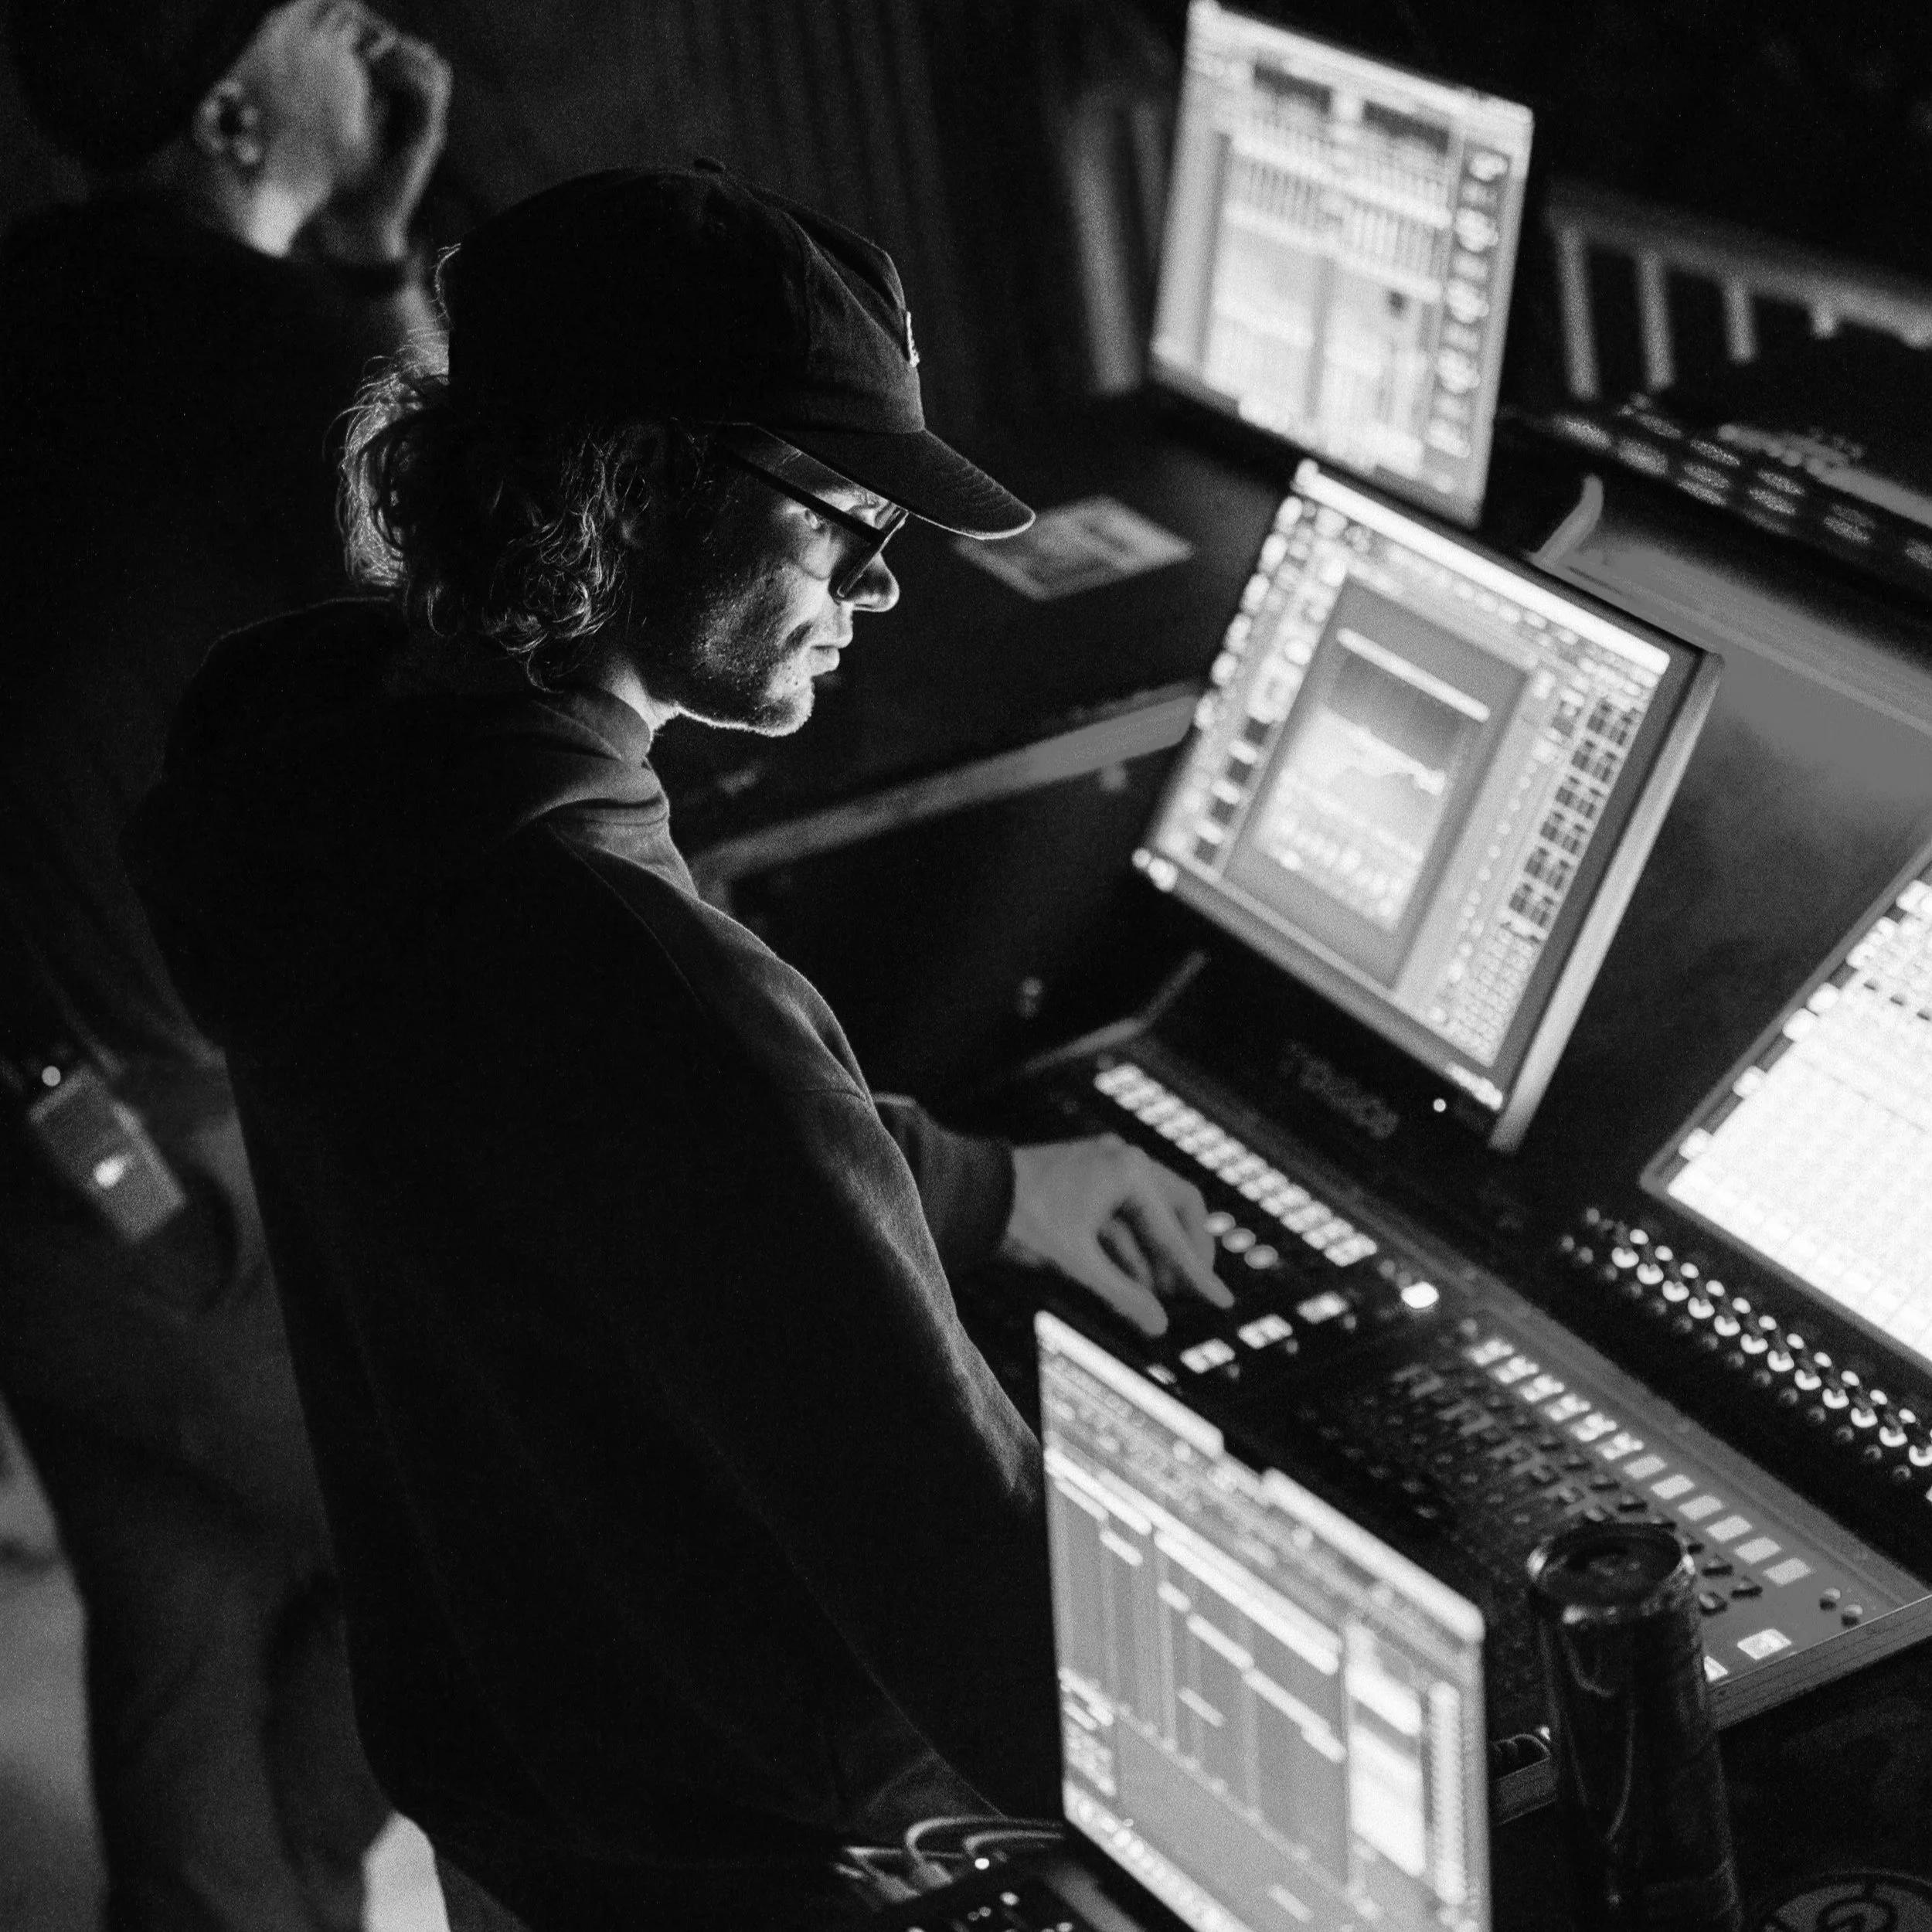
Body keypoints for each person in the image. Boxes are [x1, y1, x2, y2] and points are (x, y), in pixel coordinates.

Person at [125, 164, 1233, 1932]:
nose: (883, 582)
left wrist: (988, 1184)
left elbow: (665, 1147)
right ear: (630, 483)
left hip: (513, 1780)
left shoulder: (313, 745)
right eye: (840, 514)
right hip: (769, 1863)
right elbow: (998, 1639)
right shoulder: (645, 983)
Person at [0, 2, 449, 1925]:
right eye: (316, 13)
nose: (373, 29)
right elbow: (498, 592)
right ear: (237, 103)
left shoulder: (29, 289)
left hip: (37, 1156)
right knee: (470, 1514)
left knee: (181, 1606)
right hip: (175, 1163)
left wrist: (343, 241)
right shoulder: (276, 368)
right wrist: (373, 267)